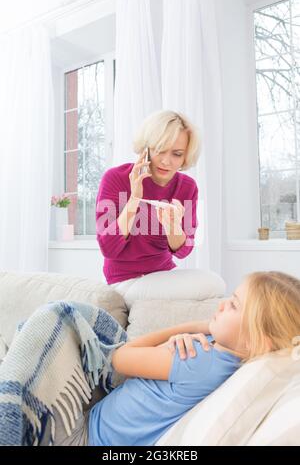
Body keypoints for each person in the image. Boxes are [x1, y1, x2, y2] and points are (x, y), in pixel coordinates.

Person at [53, 271, 300, 446]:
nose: (223, 304)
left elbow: (119, 358)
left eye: (234, 305)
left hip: (86, 437)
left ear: (255, 339)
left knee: (54, 319)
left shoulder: (200, 361)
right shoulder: (223, 358)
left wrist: (192, 327)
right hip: (97, 426)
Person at [95, 110, 200, 291]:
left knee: (213, 284)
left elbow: (184, 251)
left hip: (162, 274)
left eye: (177, 154)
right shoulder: (115, 178)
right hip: (123, 279)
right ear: (146, 149)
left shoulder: (187, 187)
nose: (166, 161)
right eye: (160, 150)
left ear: (185, 156)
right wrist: (134, 199)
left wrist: (173, 225)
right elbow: (108, 249)